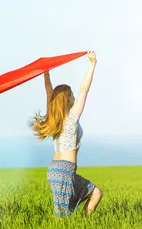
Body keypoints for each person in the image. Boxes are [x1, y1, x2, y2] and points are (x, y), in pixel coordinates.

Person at [28, 51, 103, 219]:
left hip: (61, 170)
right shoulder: (70, 119)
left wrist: (46, 74)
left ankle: (82, 226)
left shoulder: (56, 119)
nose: (75, 97)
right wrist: (92, 64)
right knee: (61, 219)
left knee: (96, 193)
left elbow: (49, 93)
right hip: (64, 171)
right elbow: (84, 90)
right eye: (71, 95)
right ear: (67, 99)